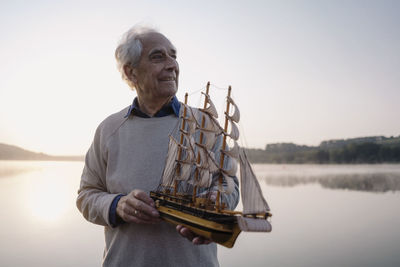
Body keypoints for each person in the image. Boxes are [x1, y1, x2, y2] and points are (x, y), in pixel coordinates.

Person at [76, 25, 239, 267]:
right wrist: (117, 205)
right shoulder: (108, 129)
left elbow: (230, 185)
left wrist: (218, 200)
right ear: (131, 73)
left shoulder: (205, 124)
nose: (172, 64)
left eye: (173, 55)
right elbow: (87, 196)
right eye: (158, 56)